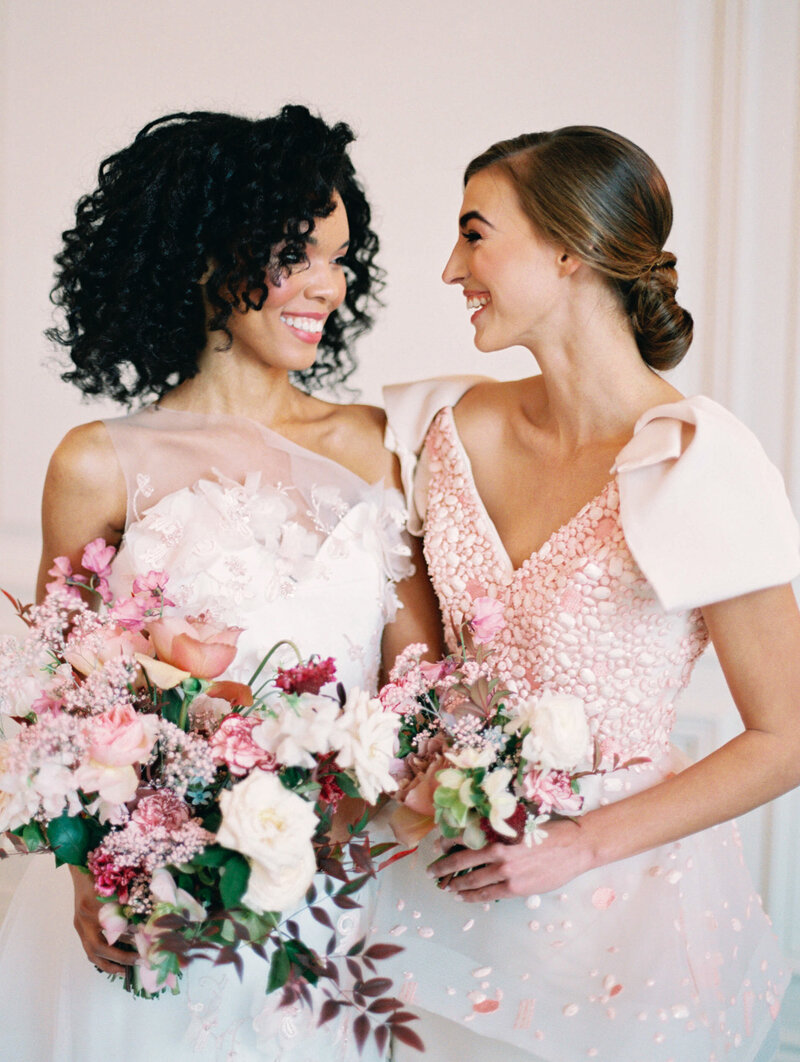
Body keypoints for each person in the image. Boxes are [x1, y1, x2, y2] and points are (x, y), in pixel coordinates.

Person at [0, 105, 440, 1062]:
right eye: (298, 255)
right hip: (149, 903)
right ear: (205, 257)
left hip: (330, 902)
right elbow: (60, 705)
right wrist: (96, 873)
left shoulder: (377, 448)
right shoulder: (96, 464)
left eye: (340, 256)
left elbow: (418, 681)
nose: (330, 285)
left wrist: (327, 821)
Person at [380, 126, 800, 1062]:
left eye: (475, 233)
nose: (453, 267)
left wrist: (578, 845)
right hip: (431, 901)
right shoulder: (435, 428)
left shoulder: (694, 462)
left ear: (569, 248)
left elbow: (789, 736)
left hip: (622, 930)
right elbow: (410, 670)